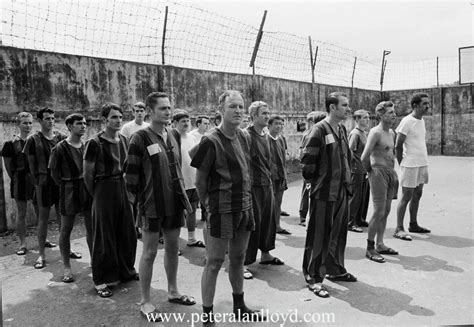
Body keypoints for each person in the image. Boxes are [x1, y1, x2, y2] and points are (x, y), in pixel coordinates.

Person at [192, 90, 264, 325]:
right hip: (221, 210)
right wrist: (209, 207)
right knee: (213, 262)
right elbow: (200, 181)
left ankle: (239, 306)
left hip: (244, 206)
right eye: (233, 106)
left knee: (238, 257)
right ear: (220, 111)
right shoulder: (210, 141)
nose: (238, 111)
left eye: (241, 107)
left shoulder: (244, 137)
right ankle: (207, 316)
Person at [124, 92, 196, 318]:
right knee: (149, 252)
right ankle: (145, 301)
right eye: (163, 108)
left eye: (169, 108)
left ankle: (173, 291)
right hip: (151, 205)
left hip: (174, 202)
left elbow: (177, 168)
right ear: (149, 111)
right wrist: (134, 208)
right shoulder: (140, 138)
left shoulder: (173, 134)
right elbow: (130, 177)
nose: (168, 112)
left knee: (174, 249)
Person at [301, 92, 356, 298]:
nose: (347, 108)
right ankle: (314, 277)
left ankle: (334, 269)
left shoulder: (341, 129)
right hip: (324, 192)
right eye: (344, 105)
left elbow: (346, 158)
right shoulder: (319, 130)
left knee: (338, 233)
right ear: (332, 107)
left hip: (341, 190)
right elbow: (307, 164)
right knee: (319, 237)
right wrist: (318, 184)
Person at [83, 103, 138, 298]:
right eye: (114, 117)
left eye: (120, 117)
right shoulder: (94, 143)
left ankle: (126, 271)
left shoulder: (124, 139)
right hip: (103, 188)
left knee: (127, 231)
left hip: (121, 187)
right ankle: (101, 280)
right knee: (104, 235)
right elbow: (87, 174)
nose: (118, 120)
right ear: (104, 119)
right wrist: (97, 195)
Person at [49, 113, 93, 282]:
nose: (83, 126)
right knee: (66, 229)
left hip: (86, 188)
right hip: (68, 189)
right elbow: (54, 173)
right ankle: (67, 266)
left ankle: (94, 261)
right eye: (79, 123)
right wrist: (65, 185)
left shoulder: (88, 145)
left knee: (91, 228)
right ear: (69, 126)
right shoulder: (60, 148)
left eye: (84, 123)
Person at [23, 107, 67, 269]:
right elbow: (31, 166)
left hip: (60, 183)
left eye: (53, 118)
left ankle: (66, 250)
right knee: (43, 219)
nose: (50, 121)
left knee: (64, 217)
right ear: (40, 121)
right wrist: (38, 184)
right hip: (43, 184)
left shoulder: (61, 137)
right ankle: (41, 254)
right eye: (47, 118)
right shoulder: (33, 140)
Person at [244, 101, 283, 280]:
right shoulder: (245, 135)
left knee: (268, 221)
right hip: (252, 187)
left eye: (268, 113)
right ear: (253, 116)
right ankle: (243, 262)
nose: (267, 116)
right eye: (263, 113)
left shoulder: (266, 136)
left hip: (266, 185)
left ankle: (265, 254)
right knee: (252, 223)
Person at [361, 102, 399, 263]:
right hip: (378, 173)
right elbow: (364, 157)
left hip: (390, 174)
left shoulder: (392, 133)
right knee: (378, 211)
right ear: (381, 115)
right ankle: (370, 247)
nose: (393, 114)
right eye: (390, 112)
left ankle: (380, 243)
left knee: (387, 210)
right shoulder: (375, 133)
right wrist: (372, 172)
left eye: (393, 112)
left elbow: (392, 153)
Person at [394, 93, 431, 241]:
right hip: (409, 165)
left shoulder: (421, 121)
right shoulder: (406, 121)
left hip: (422, 163)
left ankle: (413, 224)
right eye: (424, 104)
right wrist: (402, 163)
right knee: (406, 196)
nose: (427, 106)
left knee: (418, 194)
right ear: (415, 105)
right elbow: (398, 145)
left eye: (428, 103)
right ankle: (399, 228)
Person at [1, 112, 36, 255]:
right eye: (24, 123)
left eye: (29, 123)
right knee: (22, 213)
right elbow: (9, 167)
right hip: (20, 180)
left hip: (36, 179)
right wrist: (18, 178)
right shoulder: (10, 144)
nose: (28, 126)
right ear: (18, 124)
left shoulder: (35, 141)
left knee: (41, 210)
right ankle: (22, 244)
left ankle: (43, 238)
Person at [172, 110, 205, 248]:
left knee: (192, 211)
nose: (186, 124)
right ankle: (175, 245)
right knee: (177, 215)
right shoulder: (171, 138)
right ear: (175, 123)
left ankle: (191, 239)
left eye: (187, 121)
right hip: (179, 182)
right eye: (183, 121)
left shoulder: (192, 137)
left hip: (193, 181)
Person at [298, 111, 326, 226]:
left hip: (316, 166)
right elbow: (303, 151)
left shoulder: (321, 133)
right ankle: (303, 215)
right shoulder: (309, 133)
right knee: (307, 190)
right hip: (310, 166)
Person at [347, 110, 370, 232]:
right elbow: (349, 152)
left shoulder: (364, 133)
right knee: (355, 197)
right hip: (356, 170)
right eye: (364, 118)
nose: (367, 120)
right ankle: (351, 222)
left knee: (363, 196)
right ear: (357, 120)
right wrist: (352, 167)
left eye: (368, 117)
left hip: (364, 169)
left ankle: (360, 218)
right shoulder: (355, 134)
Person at [267, 115, 290, 235]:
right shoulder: (265, 139)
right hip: (269, 176)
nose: (279, 126)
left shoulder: (281, 139)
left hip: (281, 175)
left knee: (278, 203)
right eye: (276, 124)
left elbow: (284, 155)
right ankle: (267, 227)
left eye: (281, 124)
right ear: (269, 125)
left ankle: (277, 225)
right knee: (268, 204)